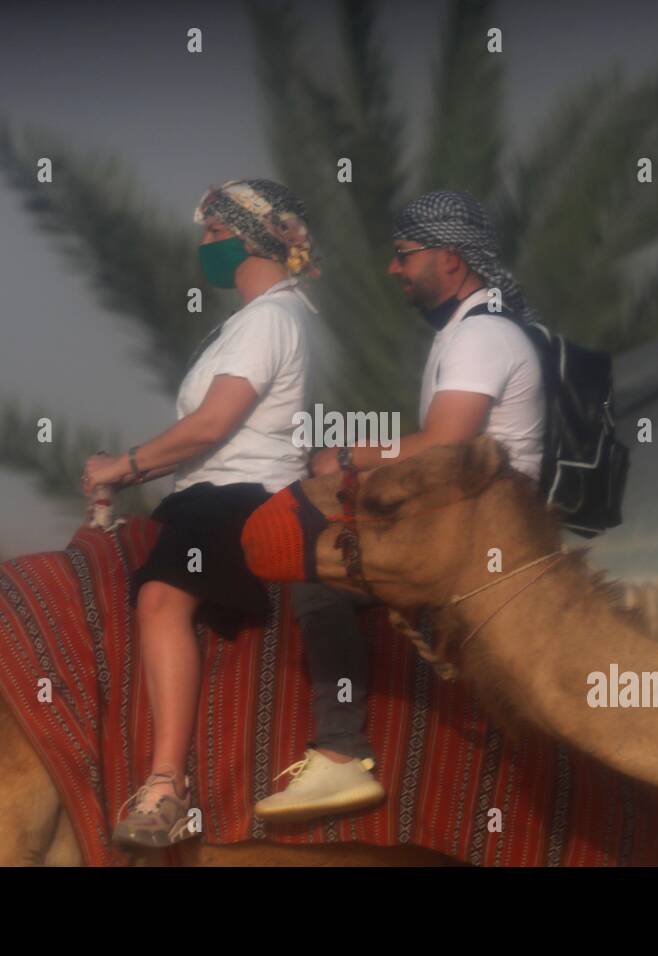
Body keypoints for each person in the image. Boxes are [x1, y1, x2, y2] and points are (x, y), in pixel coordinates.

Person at [254, 190, 545, 823]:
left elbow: (446, 443)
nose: (394, 270)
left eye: (404, 256)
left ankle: (338, 755)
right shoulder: (471, 332)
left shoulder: (482, 335)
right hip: (474, 522)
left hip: (484, 537)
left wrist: (350, 457)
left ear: (449, 259)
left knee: (319, 572)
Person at [81, 178, 319, 847]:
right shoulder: (256, 320)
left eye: (214, 236)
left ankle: (166, 785)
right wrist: (137, 471)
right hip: (207, 489)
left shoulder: (271, 317)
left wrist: (120, 467)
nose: (205, 248)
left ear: (251, 239)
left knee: (160, 599)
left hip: (239, 493)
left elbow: (212, 426)